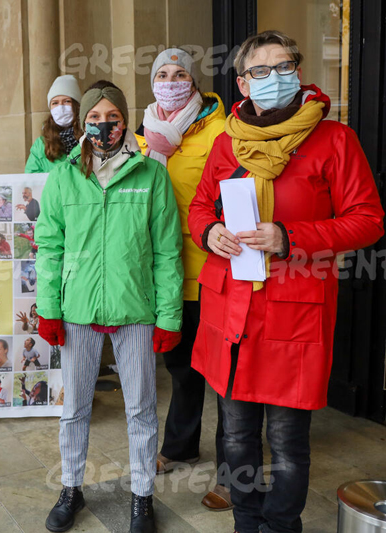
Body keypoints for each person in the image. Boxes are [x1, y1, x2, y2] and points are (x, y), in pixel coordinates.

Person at [187, 31, 383, 533]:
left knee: (288, 442)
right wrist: (209, 233)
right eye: (260, 70)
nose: (273, 77)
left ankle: (280, 526)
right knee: (236, 436)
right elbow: (200, 207)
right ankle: (246, 522)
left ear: (298, 71)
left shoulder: (333, 139)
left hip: (294, 310)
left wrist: (289, 236)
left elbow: (368, 220)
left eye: (284, 66)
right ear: (243, 83)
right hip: (232, 309)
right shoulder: (227, 141)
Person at [35, 80, 183, 533]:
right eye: (95, 118)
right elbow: (49, 247)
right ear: (84, 123)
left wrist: (169, 316)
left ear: (125, 120)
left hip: (134, 309)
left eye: (113, 118)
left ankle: (142, 496)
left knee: (140, 408)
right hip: (78, 309)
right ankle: (71, 488)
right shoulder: (63, 177)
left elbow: (167, 252)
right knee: (75, 408)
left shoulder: (151, 175)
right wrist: (48, 308)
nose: (104, 126)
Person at [135, 47, 232, 511]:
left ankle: (234, 468)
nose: (170, 82)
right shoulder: (144, 135)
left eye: (179, 75)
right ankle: (181, 446)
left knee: (226, 374)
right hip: (166, 275)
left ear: (193, 83)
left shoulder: (220, 130)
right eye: (162, 74)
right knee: (180, 367)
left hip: (211, 271)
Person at [25, 75, 83, 173]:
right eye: (55, 103)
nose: (61, 107)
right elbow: (31, 176)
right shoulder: (41, 144)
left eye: (67, 101)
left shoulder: (89, 138)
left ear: (77, 106)